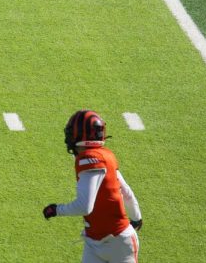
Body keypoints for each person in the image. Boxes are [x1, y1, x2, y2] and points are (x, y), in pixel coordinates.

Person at [43, 110, 143, 263]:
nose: (69, 137)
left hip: (113, 243)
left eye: (71, 132)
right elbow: (126, 192)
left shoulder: (89, 159)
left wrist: (57, 209)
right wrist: (136, 217)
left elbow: (85, 206)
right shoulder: (106, 155)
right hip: (111, 241)